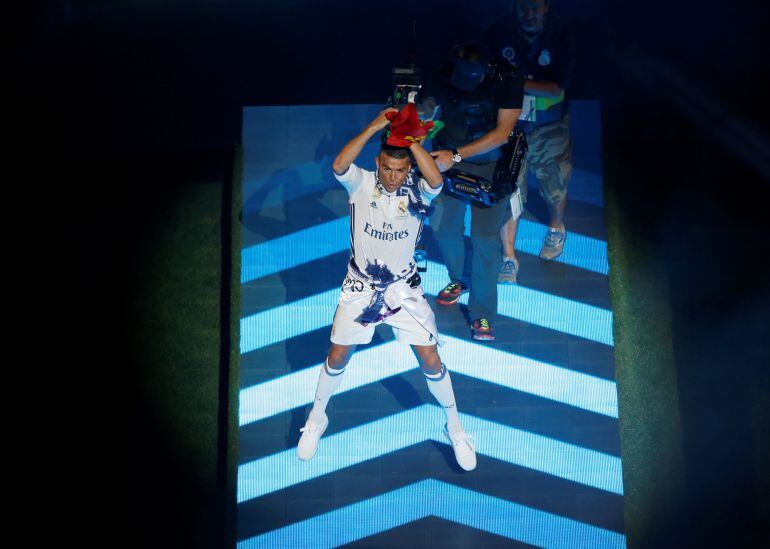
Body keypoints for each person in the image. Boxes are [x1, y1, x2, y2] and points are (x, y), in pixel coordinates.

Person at [297, 107, 477, 471]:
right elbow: (338, 164)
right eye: (387, 168)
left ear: (408, 167)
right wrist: (376, 126)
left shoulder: (418, 193)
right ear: (378, 163)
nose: (393, 177)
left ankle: (455, 427)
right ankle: (317, 418)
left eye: (400, 169)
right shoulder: (361, 183)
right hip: (361, 287)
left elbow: (437, 181)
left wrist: (413, 143)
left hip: (402, 290)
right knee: (337, 355)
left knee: (430, 358)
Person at [427, 41, 523, 341]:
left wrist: (455, 155)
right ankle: (459, 279)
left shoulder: (508, 79)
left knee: (485, 240)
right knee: (443, 228)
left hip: (490, 166)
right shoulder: (443, 73)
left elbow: (502, 133)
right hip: (446, 162)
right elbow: (431, 107)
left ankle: (482, 313)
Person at [484, 0, 576, 283]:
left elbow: (555, 87)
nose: (528, 14)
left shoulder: (562, 34)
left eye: (535, 7)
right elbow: (487, 75)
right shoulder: (498, 30)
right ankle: (508, 257)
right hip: (510, 126)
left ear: (546, 7)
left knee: (555, 186)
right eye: (523, 7)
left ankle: (557, 228)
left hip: (549, 124)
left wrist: (512, 81)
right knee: (509, 190)